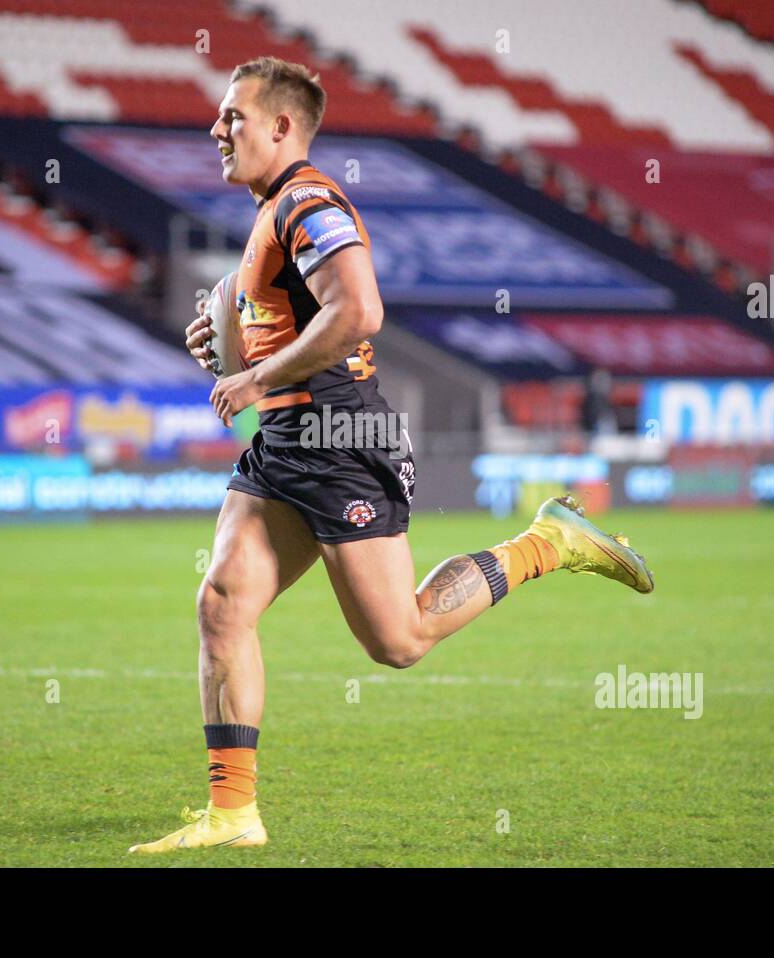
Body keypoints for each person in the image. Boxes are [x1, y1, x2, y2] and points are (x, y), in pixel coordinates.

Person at [130, 57, 654, 854]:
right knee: (221, 604)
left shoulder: (307, 201)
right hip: (286, 440)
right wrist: (224, 333)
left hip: (341, 438)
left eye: (232, 116)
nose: (216, 130)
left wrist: (256, 374)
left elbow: (360, 309)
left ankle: (547, 543)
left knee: (399, 641)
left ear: (281, 127)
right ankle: (234, 816)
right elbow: (271, 316)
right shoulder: (272, 210)